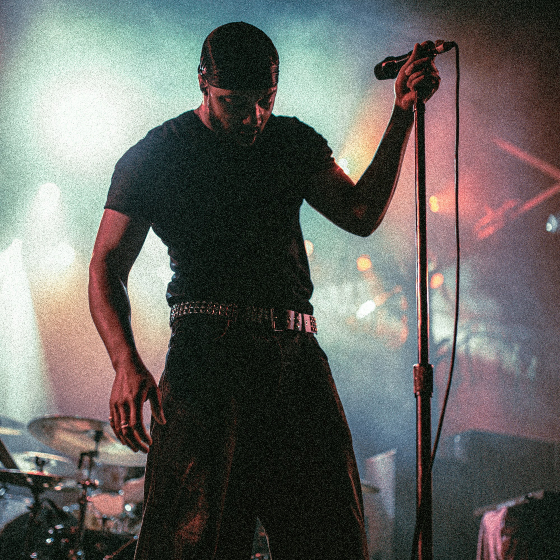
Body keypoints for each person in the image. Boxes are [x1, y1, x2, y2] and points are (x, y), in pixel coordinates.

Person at [88, 21, 440, 560]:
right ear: (204, 81)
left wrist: (402, 115)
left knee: (334, 540)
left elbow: (361, 212)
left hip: (295, 363)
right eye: (234, 102)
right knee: (194, 543)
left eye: (265, 100)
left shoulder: (290, 141)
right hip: (206, 364)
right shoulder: (158, 154)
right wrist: (124, 361)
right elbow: (107, 264)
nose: (253, 117)